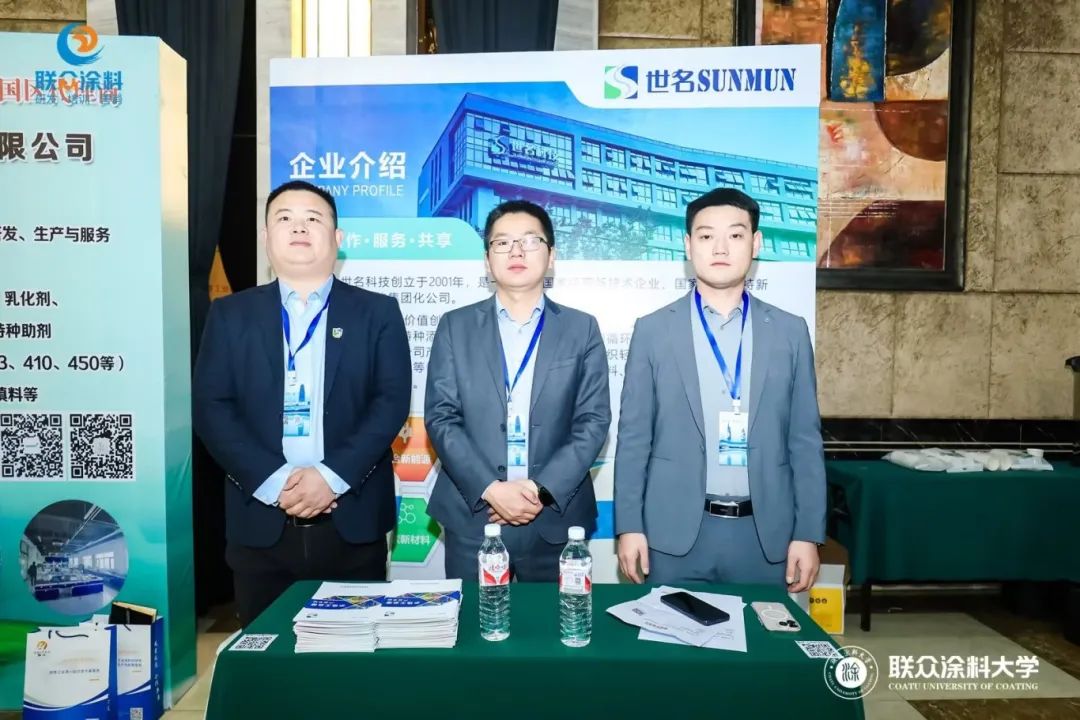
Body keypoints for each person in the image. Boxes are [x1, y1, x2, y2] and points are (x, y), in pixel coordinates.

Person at [193, 180, 411, 625]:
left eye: (313, 218)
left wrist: (330, 478)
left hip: (352, 521)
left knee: (353, 650)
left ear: (337, 237)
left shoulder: (378, 312)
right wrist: (278, 483)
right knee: (267, 654)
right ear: (265, 237)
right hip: (260, 522)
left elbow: (390, 402)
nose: (299, 227)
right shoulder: (230, 314)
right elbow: (211, 407)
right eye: (284, 218)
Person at [614, 187, 825, 593]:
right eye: (707, 235)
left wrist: (808, 533)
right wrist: (629, 526)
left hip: (767, 537)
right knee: (668, 632)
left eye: (736, 234)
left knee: (764, 637)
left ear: (756, 243)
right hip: (673, 536)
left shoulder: (790, 331)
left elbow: (804, 440)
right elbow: (634, 437)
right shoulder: (653, 330)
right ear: (688, 245)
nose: (720, 248)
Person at [425, 199, 610, 581]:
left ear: (551, 255)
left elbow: (593, 421)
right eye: (503, 242)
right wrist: (491, 489)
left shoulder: (582, 329)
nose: (516, 251)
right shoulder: (455, 326)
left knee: (556, 618)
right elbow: (441, 417)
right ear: (487, 259)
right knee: (475, 618)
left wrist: (539, 490)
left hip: (556, 519)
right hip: (474, 517)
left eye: (530, 240)